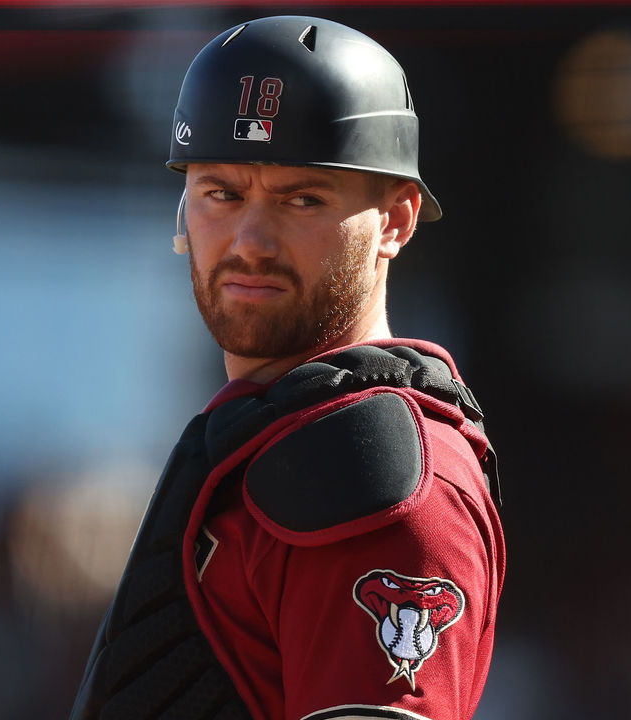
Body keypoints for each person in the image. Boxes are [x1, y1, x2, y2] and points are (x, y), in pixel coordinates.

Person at [70, 15, 504, 720]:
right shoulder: (272, 434)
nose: (250, 240)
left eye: (302, 198)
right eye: (222, 193)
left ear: (395, 221)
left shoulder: (374, 476)